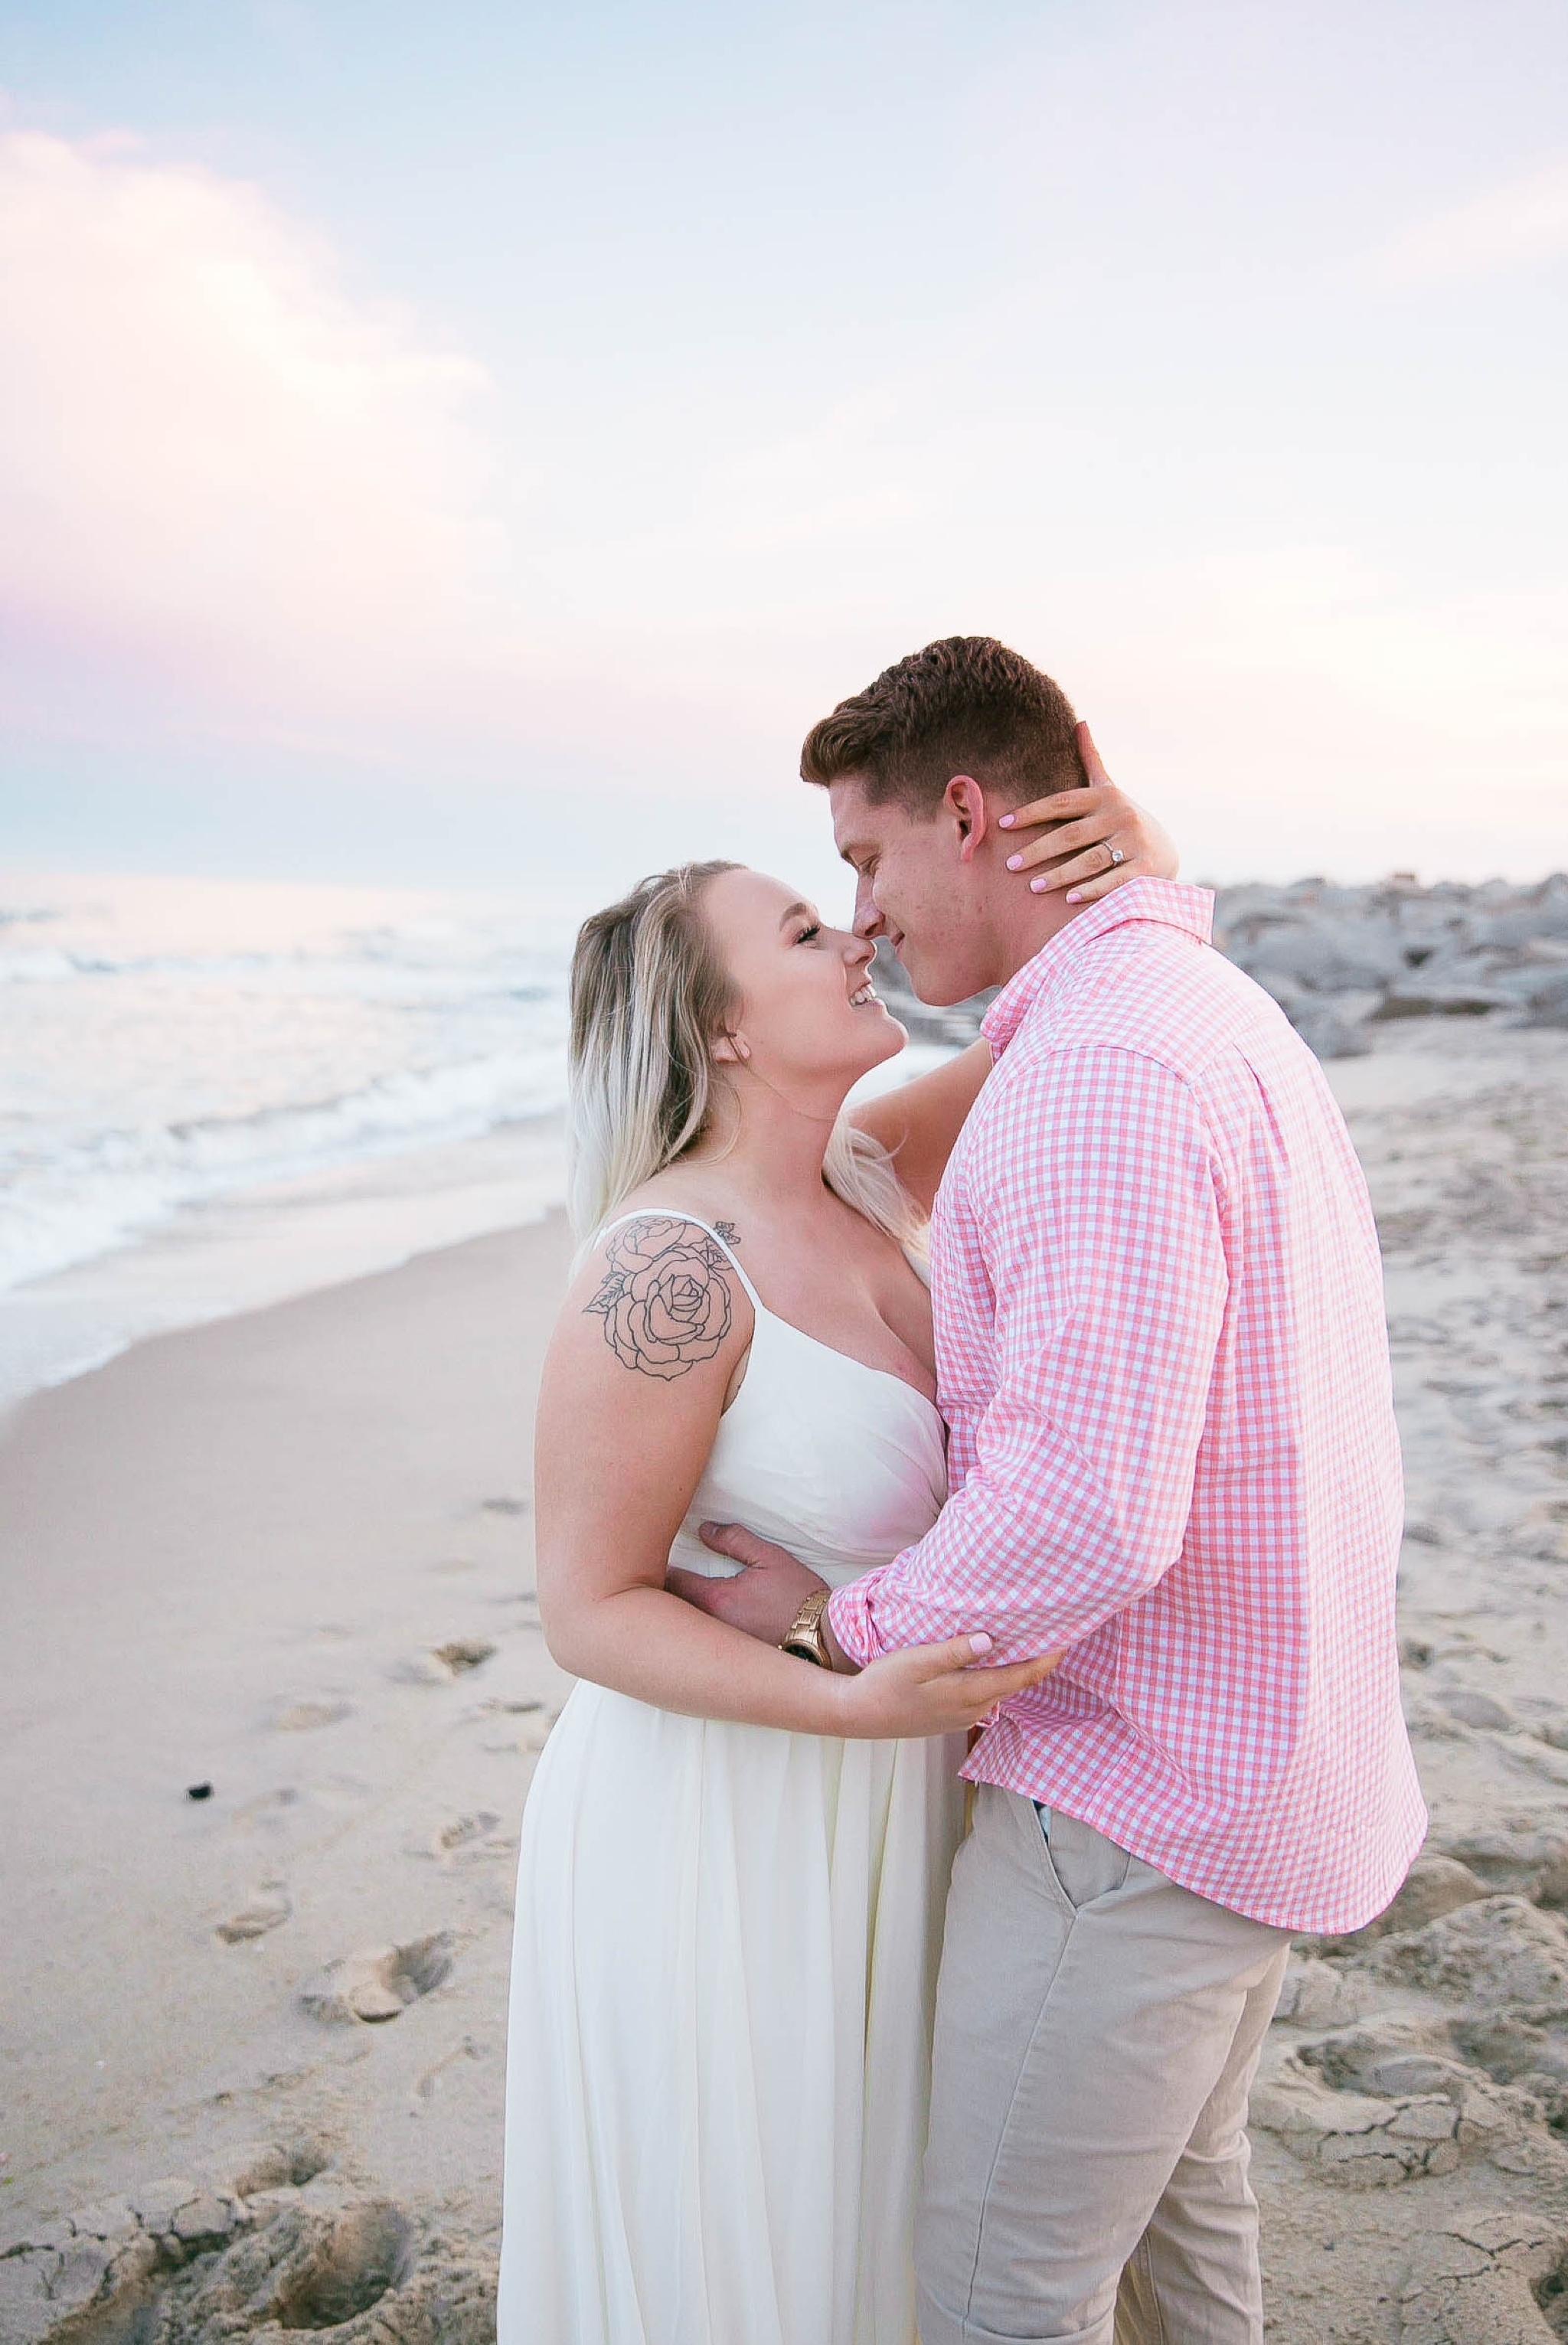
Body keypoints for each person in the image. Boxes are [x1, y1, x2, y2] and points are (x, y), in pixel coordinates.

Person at [678, 635, 1427, 2345]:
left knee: (998, 2293)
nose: (858, 913)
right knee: (1187, 2217)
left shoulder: (1095, 1070)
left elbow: (1085, 1511)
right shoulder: (1180, 1007)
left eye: (863, 858)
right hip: (1255, 1758)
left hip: (1133, 1798)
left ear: (964, 811)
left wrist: (829, 1628)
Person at [495, 747, 1177, 2345]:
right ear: (720, 1022)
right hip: (725, 1818)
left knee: (885, 2217)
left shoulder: (864, 1172)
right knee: (764, 2229)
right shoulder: (663, 1269)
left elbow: (1071, 1013)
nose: (856, 936)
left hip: (888, 1781)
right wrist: (844, 1694)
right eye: (805, 930)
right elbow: (586, 1610)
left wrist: (1138, 857)